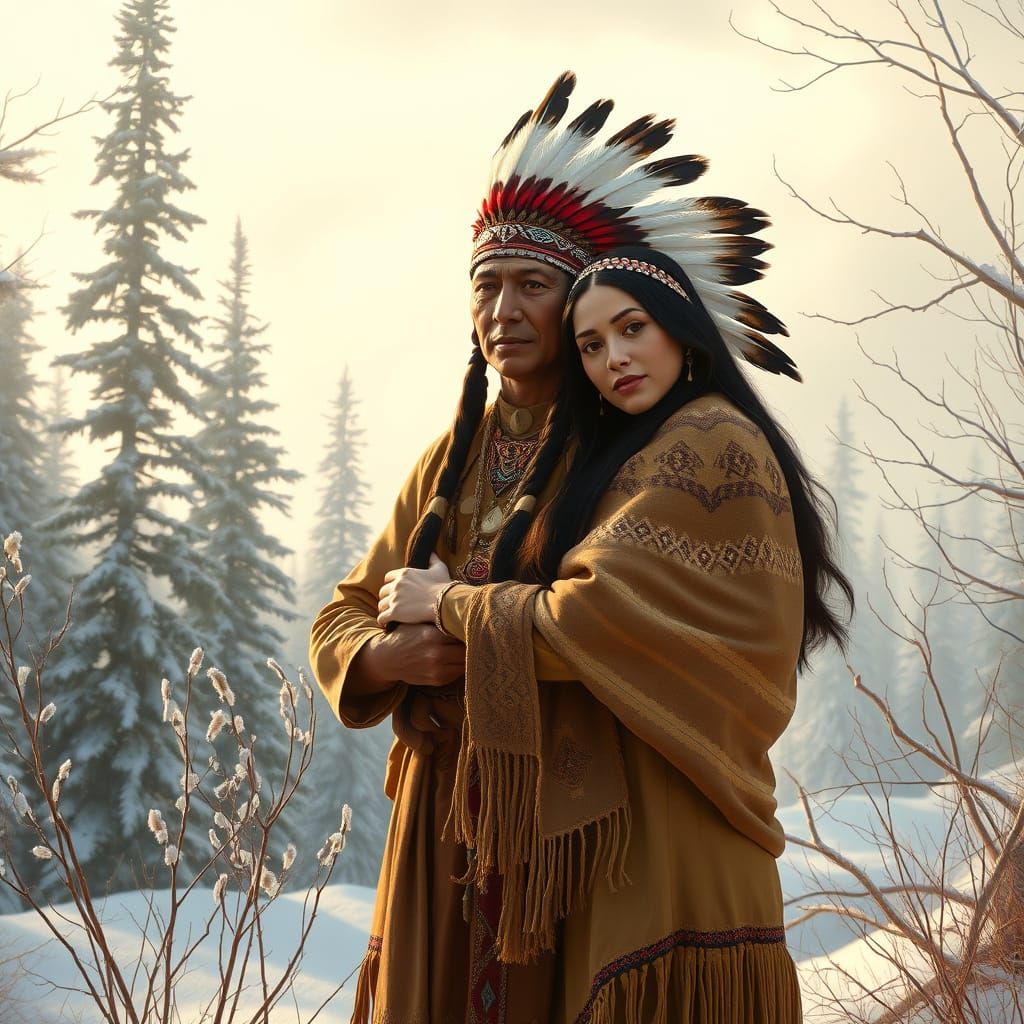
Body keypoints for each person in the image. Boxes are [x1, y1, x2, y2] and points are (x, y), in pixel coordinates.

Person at [310, 72, 806, 1024]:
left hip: (566, 834)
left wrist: (453, 611)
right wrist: (386, 657)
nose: (503, 309)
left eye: (532, 287)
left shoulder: (627, 449)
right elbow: (344, 612)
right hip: (442, 829)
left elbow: (603, 617)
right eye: (485, 286)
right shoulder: (448, 462)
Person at [377, 245, 853, 1022]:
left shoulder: (707, 443)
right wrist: (384, 654)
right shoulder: (642, 447)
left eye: (632, 329)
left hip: (682, 825)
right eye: (592, 345)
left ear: (680, 329)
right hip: (642, 816)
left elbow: (587, 616)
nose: (615, 359)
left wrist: (448, 602)